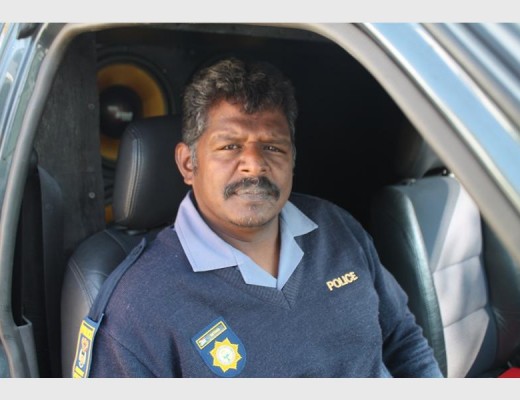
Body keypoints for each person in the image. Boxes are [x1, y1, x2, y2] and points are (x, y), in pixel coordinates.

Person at [80, 57, 443, 378]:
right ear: (189, 163)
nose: (254, 164)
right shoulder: (137, 306)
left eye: (272, 146)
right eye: (230, 146)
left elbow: (403, 342)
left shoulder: (337, 227)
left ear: (292, 159)